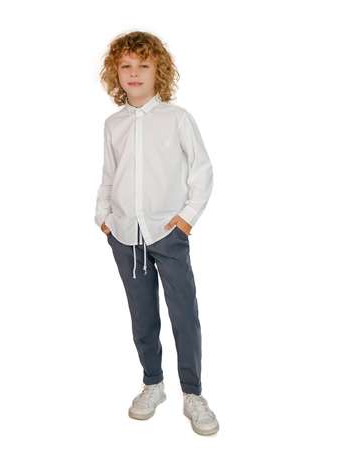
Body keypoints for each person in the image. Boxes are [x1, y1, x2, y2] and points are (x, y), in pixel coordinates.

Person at [94, 31, 219, 436]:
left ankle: (193, 393)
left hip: (168, 233)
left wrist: (187, 217)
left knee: (184, 314)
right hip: (124, 235)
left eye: (143, 65)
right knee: (142, 315)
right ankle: (152, 383)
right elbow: (109, 174)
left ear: (158, 71)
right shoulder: (113, 124)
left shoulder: (177, 119)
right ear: (116, 72)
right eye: (126, 66)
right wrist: (103, 215)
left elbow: (202, 170)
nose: (134, 73)